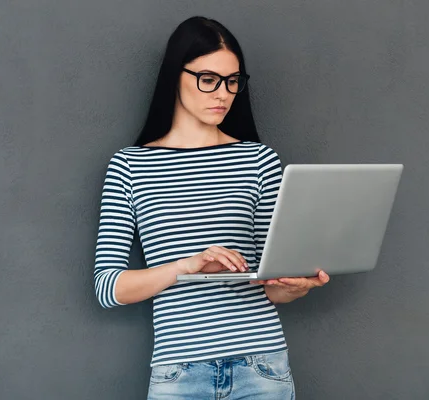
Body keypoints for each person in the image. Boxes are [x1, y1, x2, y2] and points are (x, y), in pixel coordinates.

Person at [94, 16, 330, 400]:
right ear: (176, 75)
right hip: (179, 374)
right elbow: (108, 287)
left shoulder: (258, 160)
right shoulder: (130, 166)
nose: (222, 94)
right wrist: (185, 266)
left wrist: (295, 287)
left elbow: (270, 286)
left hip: (262, 366)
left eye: (233, 81)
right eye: (208, 79)